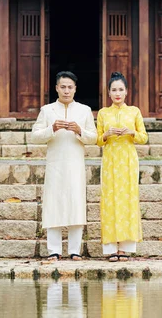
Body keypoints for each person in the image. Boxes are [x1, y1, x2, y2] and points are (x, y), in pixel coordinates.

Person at [31, 71, 97, 261]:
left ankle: (75, 250)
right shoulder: (47, 110)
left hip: (76, 163)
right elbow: (35, 136)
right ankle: (54, 250)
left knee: (76, 203)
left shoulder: (84, 110)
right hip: (56, 164)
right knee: (54, 203)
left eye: (70, 87)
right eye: (63, 87)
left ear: (75, 89)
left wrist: (79, 130)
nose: (66, 91)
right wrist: (52, 129)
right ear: (56, 88)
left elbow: (93, 137)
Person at [97, 72, 148, 262]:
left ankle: (125, 248)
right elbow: (97, 141)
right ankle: (111, 248)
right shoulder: (103, 113)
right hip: (110, 159)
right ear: (109, 93)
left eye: (120, 89)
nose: (117, 93)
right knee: (109, 200)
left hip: (128, 159)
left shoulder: (134, 111)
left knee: (127, 200)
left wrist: (132, 132)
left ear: (126, 92)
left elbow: (144, 137)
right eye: (113, 90)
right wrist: (106, 134)